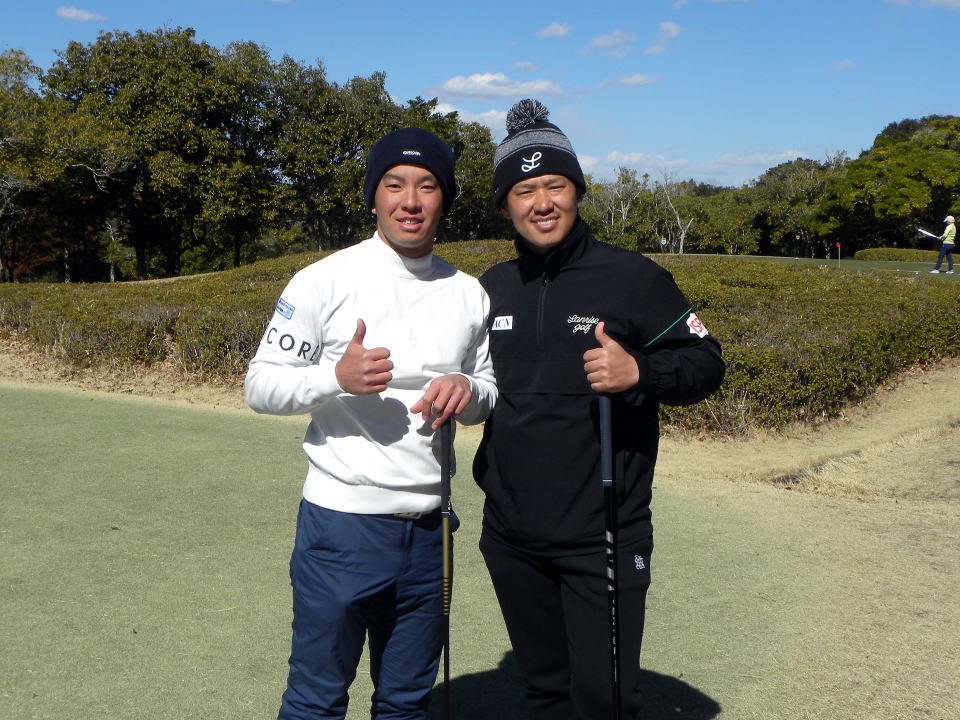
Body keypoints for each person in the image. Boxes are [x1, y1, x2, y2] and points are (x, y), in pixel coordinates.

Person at [472, 99, 725, 720]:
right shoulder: (490, 287)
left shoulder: (632, 278)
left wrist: (641, 372)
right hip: (510, 534)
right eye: (524, 190)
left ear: (579, 192)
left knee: (604, 701)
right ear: (505, 205)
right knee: (546, 693)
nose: (542, 202)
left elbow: (706, 361)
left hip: (603, 535)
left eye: (555, 185)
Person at [244, 127, 497, 720]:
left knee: (406, 704)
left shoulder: (469, 293)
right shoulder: (323, 280)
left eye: (427, 186)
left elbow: (488, 391)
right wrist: (335, 377)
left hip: (431, 532)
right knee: (316, 701)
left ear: (444, 199)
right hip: (341, 528)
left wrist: (467, 389)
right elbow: (260, 386)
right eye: (394, 184)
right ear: (373, 196)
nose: (410, 201)